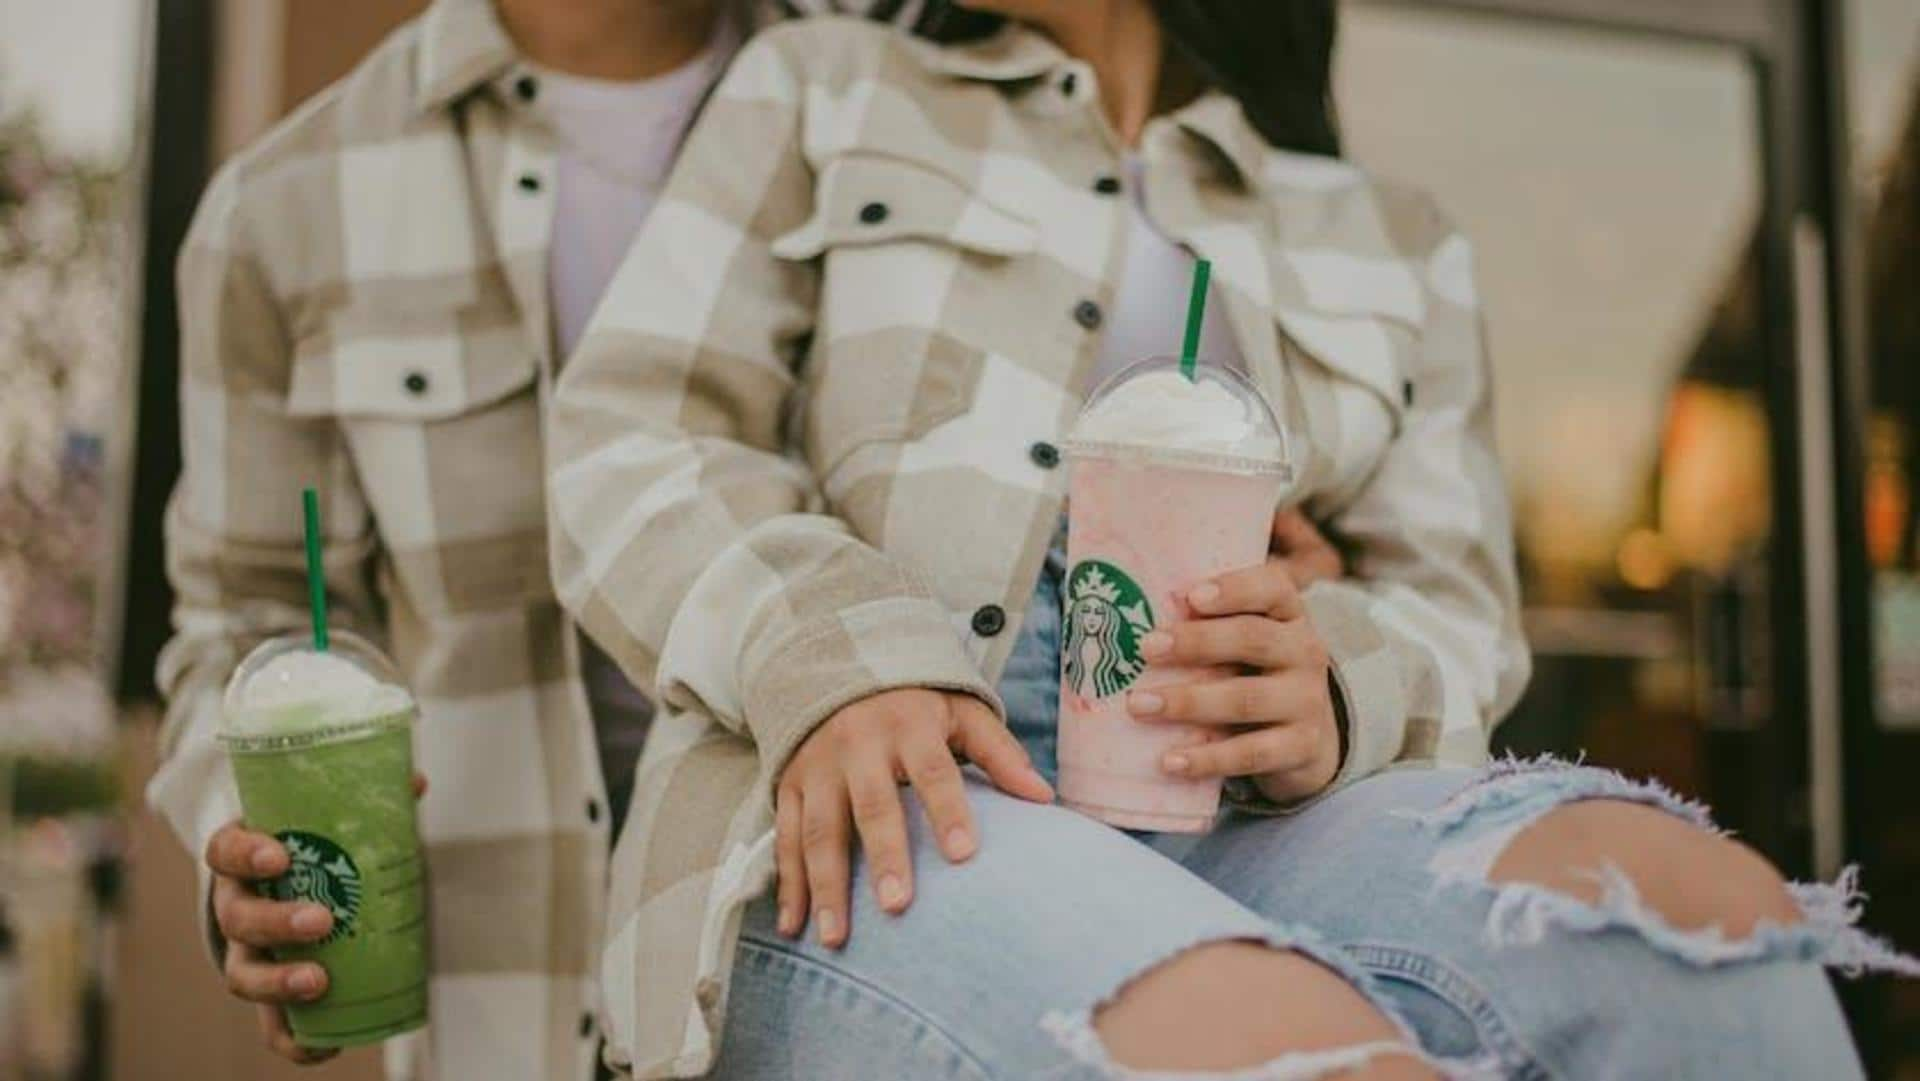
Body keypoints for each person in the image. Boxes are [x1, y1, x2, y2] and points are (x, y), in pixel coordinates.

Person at [550, 1, 1917, 1078]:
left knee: (1696, 929)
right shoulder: (824, 86)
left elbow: (1454, 599)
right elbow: (632, 435)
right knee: (1294, 1048)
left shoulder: (1391, 236)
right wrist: (837, 654)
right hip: (888, 796)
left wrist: (1329, 678)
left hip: (1256, 803)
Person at [142, 0, 910, 1076]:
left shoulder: (906, 116)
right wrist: (255, 847)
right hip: (510, 1004)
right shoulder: (282, 207)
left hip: (871, 962)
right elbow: (241, 620)